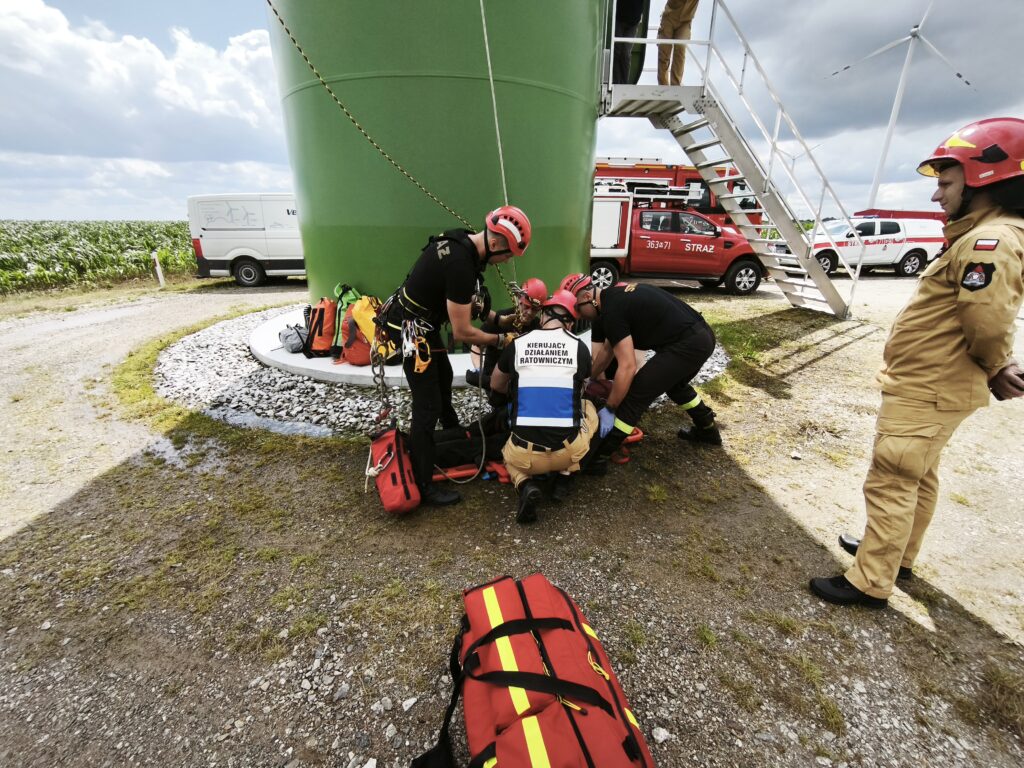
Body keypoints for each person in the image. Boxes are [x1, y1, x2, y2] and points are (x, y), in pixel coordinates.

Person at [810, 117, 1024, 609]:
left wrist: (996, 364)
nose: (936, 195)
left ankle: (869, 580)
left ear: (984, 180)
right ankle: (897, 556)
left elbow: (987, 320)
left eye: (946, 183)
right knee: (918, 474)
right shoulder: (989, 235)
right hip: (937, 384)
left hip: (929, 385)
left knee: (893, 474)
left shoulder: (987, 242)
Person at [383, 205, 532, 507]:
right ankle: (425, 483)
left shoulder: (462, 244)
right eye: (506, 255)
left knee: (445, 378)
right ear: (494, 243)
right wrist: (502, 339)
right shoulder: (461, 265)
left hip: (423, 325)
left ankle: (453, 436)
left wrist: (498, 318)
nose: (504, 262)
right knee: (427, 406)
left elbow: (460, 300)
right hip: (414, 333)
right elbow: (464, 331)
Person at [561, 273, 721, 476]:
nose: (579, 317)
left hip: (688, 344)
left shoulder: (611, 312)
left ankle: (598, 458)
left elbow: (627, 367)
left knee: (635, 394)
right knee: (675, 385)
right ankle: (707, 430)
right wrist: (585, 379)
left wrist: (610, 406)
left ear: (585, 297)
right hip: (702, 336)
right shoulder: (615, 298)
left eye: (577, 310)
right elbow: (607, 353)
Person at [490, 290, 596, 523]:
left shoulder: (518, 344)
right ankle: (566, 475)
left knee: (507, 456)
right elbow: (581, 389)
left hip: (524, 456)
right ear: (570, 322)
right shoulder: (579, 348)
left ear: (544, 315)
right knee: (588, 409)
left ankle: (524, 484)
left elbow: (496, 384)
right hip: (567, 453)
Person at [466, 277, 547, 389]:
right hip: (494, 379)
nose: (529, 312)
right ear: (518, 299)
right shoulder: (501, 319)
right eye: (526, 306)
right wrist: (479, 369)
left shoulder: (538, 327)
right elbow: (476, 346)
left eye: (534, 310)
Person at [657, 0, 700, 86]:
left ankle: (675, 85)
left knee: (680, 47)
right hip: (669, 16)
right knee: (664, 51)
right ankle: (663, 85)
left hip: (686, 20)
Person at [613, 0, 644, 84]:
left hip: (633, 22)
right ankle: (615, 82)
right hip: (619, 18)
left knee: (626, 54)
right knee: (616, 51)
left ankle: (624, 83)